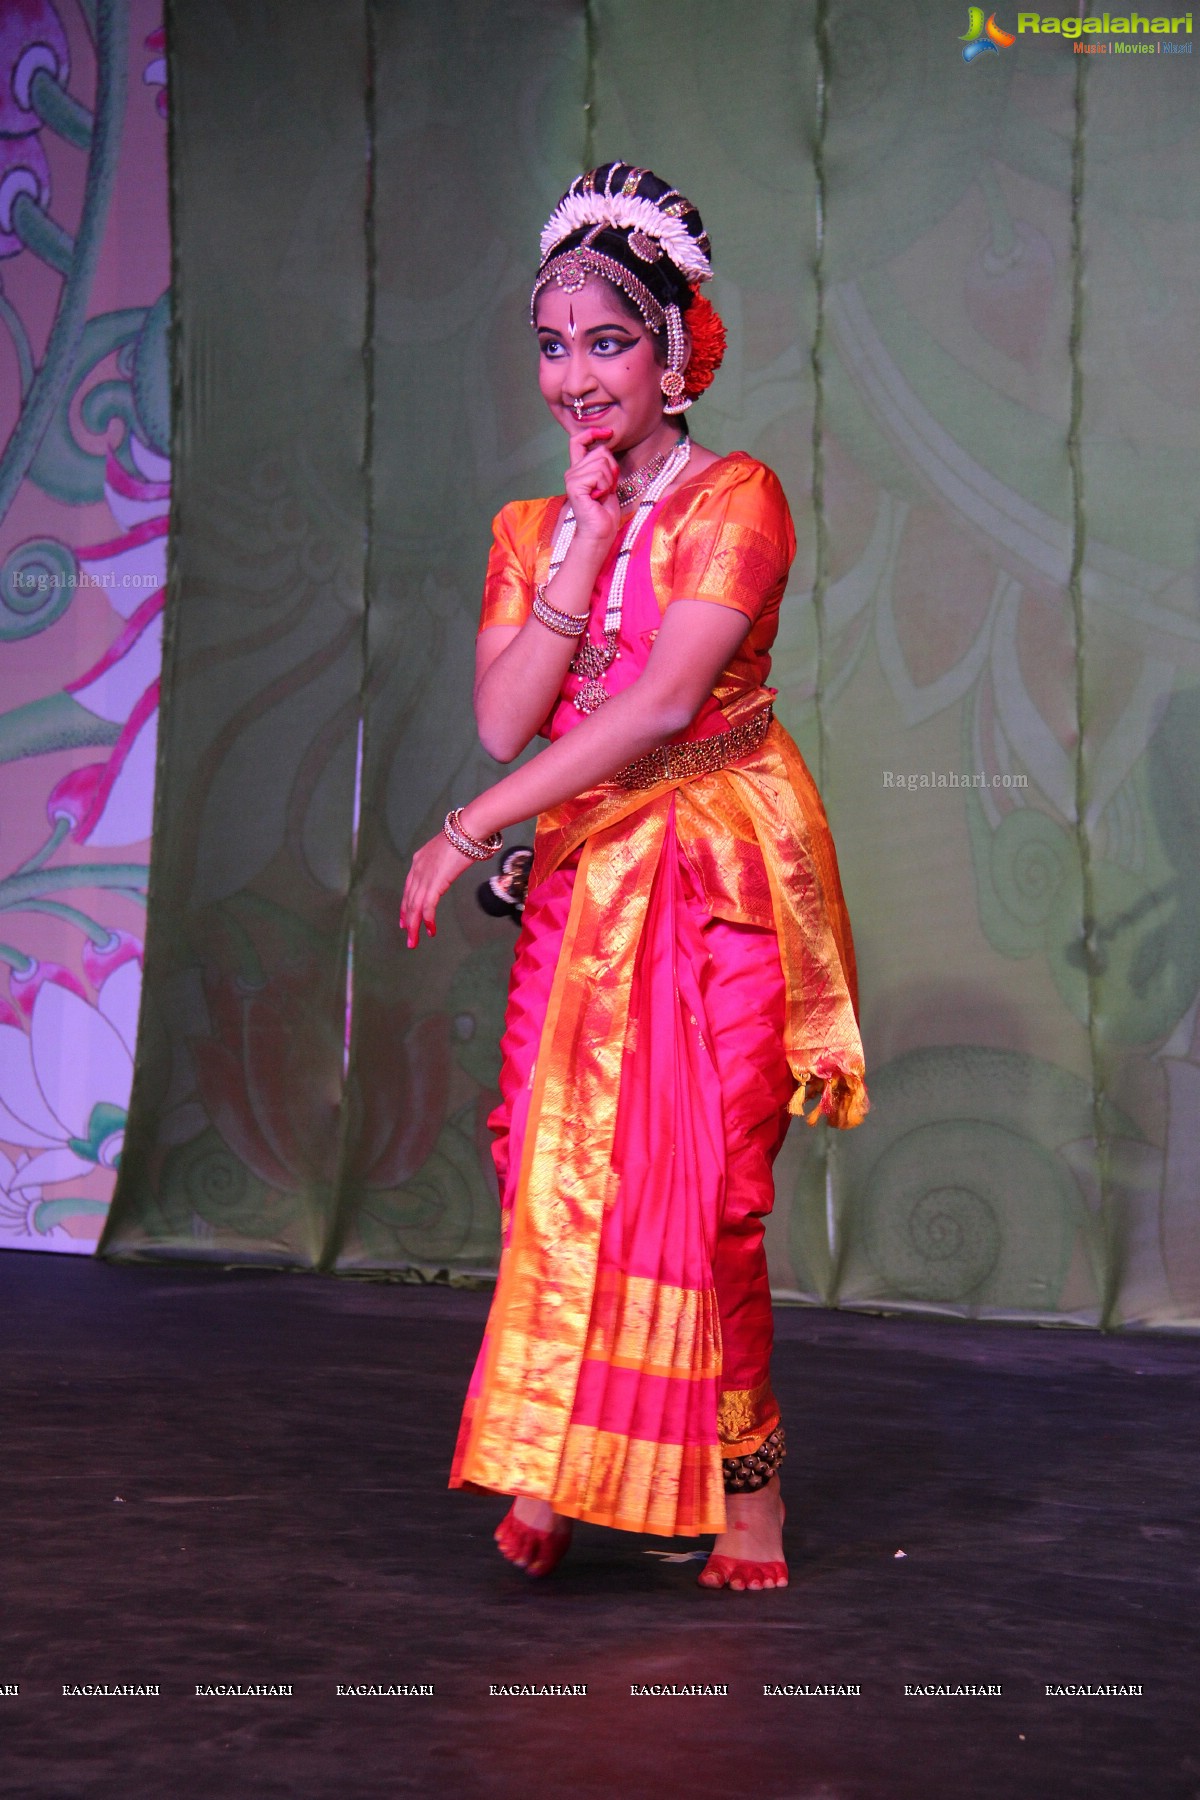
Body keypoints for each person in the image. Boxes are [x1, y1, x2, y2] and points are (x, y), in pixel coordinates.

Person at [400, 163, 867, 1593]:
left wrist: (469, 829)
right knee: (550, 1174)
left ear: (677, 352)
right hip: (589, 884)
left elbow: (664, 705)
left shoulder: (739, 497)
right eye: (552, 344)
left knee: (709, 1187)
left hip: (717, 868)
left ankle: (748, 1496)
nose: (576, 373)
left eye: (608, 340)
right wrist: (587, 539)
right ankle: (558, 1454)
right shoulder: (533, 531)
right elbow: (501, 713)